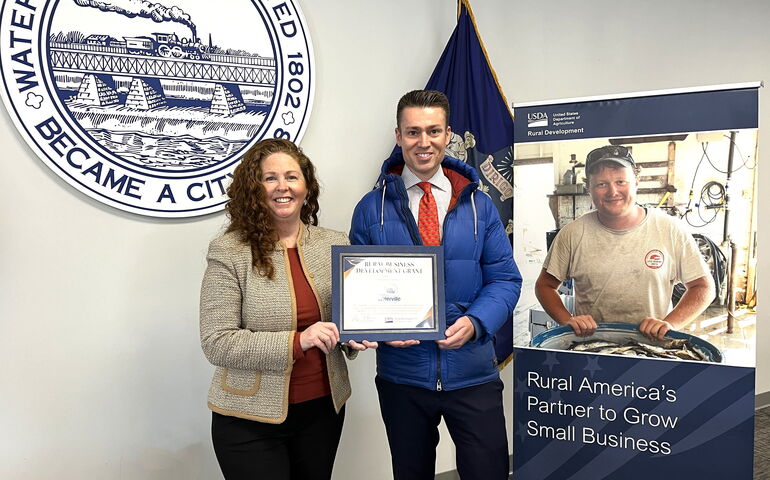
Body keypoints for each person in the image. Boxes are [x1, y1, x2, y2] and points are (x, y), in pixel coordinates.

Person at [349, 89, 521, 480]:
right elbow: (359, 290)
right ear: (399, 136)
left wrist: (476, 322)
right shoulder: (370, 209)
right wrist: (378, 328)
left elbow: (505, 279)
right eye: (413, 132)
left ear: (447, 135)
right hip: (403, 378)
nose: (423, 142)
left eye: (433, 131)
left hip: (472, 373)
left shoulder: (480, 206)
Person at [199, 138, 374, 480]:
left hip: (322, 411)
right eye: (270, 178)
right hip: (248, 418)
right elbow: (217, 342)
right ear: (254, 188)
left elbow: (344, 318)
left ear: (306, 187)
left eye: (292, 177)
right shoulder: (229, 251)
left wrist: (353, 335)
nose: (283, 186)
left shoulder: (335, 243)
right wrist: (299, 340)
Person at [535, 145, 715, 340]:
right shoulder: (572, 233)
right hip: (591, 346)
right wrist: (567, 320)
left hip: (651, 347)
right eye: (601, 184)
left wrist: (670, 324)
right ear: (589, 189)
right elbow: (545, 286)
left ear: (636, 182)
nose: (612, 191)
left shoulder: (671, 230)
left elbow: (703, 287)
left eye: (621, 181)